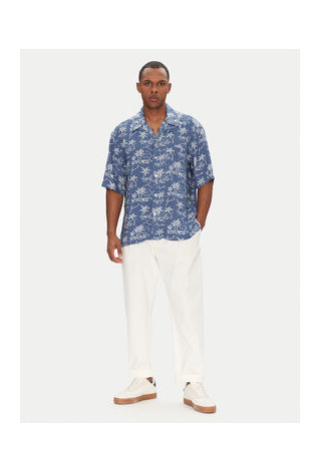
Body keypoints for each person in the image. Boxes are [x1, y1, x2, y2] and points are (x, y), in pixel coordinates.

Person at [101, 61, 216, 414]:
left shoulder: (189, 128)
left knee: (186, 306)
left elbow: (205, 177)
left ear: (169, 87)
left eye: (160, 83)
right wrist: (111, 232)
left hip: (179, 232)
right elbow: (114, 183)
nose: (154, 88)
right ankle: (142, 378)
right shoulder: (123, 133)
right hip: (136, 232)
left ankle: (193, 381)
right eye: (148, 83)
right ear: (138, 87)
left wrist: (197, 223)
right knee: (136, 306)